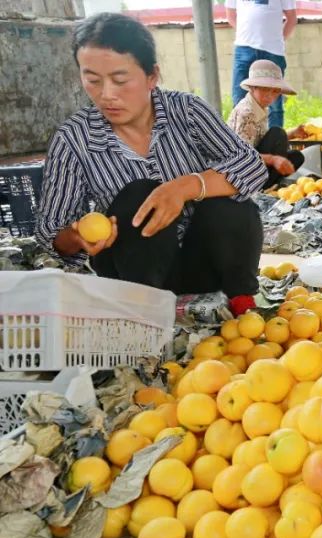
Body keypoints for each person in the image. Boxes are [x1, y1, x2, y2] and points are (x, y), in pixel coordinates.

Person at [35, 13, 268, 316]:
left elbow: (251, 165)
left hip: (205, 263)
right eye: (92, 80)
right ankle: (145, 316)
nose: (107, 95)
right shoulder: (74, 138)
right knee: (139, 194)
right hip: (136, 273)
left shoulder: (187, 111)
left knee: (230, 201)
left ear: (152, 76)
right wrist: (76, 237)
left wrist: (187, 187)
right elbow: (50, 232)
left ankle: (241, 302)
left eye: (120, 80)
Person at [227, 59, 305, 188]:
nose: (269, 96)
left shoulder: (260, 107)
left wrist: (292, 134)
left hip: (255, 162)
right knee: (277, 133)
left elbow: (260, 139)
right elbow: (243, 156)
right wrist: (273, 160)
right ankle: (261, 187)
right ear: (252, 88)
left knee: (296, 157)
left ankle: (269, 184)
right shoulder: (246, 112)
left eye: (274, 91)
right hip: (240, 172)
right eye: (264, 89)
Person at [225, 0, 297, 130]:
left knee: (274, 103)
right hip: (243, 48)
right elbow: (230, 15)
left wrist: (276, 40)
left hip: (273, 51)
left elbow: (292, 19)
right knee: (239, 97)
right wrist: (247, 34)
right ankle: (239, 142)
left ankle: (274, 145)